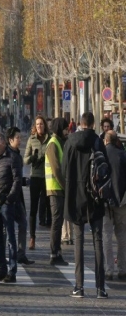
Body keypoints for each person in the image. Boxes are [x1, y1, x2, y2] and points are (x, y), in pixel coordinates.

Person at [62, 112, 108, 299]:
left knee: (78, 241)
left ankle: (79, 287)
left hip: (75, 197)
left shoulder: (70, 142)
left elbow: (64, 169)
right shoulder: (97, 141)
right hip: (95, 197)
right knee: (98, 241)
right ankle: (100, 288)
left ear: (80, 124)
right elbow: (105, 169)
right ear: (93, 123)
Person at [0, 132, 22, 283]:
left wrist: (10, 199)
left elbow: (17, 180)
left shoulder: (12, 157)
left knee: (10, 237)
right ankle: (2, 268)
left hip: (6, 204)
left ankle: (12, 270)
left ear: (3, 143)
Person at [6, 127, 35, 265]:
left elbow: (16, 177)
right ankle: (16, 254)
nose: (20, 139)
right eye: (17, 137)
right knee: (13, 226)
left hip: (16, 196)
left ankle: (19, 253)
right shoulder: (11, 155)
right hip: (12, 197)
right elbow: (10, 178)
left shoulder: (16, 154)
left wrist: (24, 181)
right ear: (10, 140)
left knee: (21, 224)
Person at [23, 115, 51, 250]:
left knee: (48, 206)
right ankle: (32, 238)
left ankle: (53, 239)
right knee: (33, 208)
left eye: (41, 124)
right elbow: (25, 160)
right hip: (35, 176)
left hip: (47, 177)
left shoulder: (50, 139)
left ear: (45, 125)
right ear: (35, 126)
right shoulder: (31, 139)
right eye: (37, 124)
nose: (39, 126)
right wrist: (33, 158)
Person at [45, 118, 70, 266]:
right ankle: (54, 253)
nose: (67, 131)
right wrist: (66, 187)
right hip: (55, 188)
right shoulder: (53, 144)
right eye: (65, 128)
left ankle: (57, 251)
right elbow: (57, 170)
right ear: (60, 128)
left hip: (58, 188)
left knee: (59, 221)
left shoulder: (60, 142)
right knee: (56, 222)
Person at [103, 130, 126, 281]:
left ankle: (109, 269)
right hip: (122, 201)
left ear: (106, 141)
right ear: (117, 141)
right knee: (122, 236)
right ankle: (123, 269)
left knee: (107, 236)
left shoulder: (101, 155)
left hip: (105, 202)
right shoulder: (123, 155)